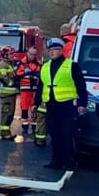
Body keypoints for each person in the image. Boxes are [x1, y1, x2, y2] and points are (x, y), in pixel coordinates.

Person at [32, 38, 88, 170]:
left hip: (66, 106)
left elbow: (81, 85)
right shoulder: (45, 66)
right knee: (54, 134)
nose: (51, 53)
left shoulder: (71, 65)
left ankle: (67, 162)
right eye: (50, 50)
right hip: (51, 106)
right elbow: (41, 86)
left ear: (61, 50)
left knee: (66, 134)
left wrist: (82, 104)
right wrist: (36, 103)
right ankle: (55, 160)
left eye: (55, 50)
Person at [15, 46, 42, 135]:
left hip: (34, 89)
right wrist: (24, 73)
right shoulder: (22, 63)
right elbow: (17, 74)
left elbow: (41, 75)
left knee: (34, 108)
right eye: (31, 54)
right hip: (25, 89)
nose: (32, 56)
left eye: (34, 54)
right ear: (27, 53)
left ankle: (34, 127)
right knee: (24, 108)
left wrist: (36, 74)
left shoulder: (38, 64)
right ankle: (25, 127)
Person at [0, 46, 19, 140]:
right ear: (5, 55)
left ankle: (7, 132)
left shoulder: (9, 64)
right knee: (6, 114)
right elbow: (3, 78)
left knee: (10, 114)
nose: (13, 56)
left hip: (11, 93)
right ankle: (5, 133)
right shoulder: (3, 64)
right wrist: (13, 82)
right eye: (11, 54)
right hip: (7, 94)